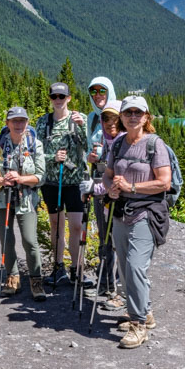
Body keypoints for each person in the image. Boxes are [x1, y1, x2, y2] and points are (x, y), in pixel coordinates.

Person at [103, 96, 172, 349]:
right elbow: (108, 174)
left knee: (134, 266)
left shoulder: (155, 145)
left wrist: (132, 186)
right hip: (121, 213)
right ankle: (146, 312)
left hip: (146, 213)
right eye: (128, 112)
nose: (132, 116)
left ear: (146, 117)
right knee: (123, 267)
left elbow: (164, 182)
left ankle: (138, 325)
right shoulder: (119, 143)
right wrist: (110, 189)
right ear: (121, 117)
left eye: (137, 112)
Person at [0, 106, 47, 302]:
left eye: (22, 121)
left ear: (27, 123)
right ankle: (12, 277)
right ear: (7, 123)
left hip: (26, 200)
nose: (18, 124)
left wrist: (19, 178)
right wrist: (2, 181)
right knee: (7, 240)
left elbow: (41, 177)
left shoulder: (34, 144)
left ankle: (36, 279)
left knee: (29, 240)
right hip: (1, 198)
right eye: (14, 121)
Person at [35, 82, 90, 288]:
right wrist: (52, 157)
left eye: (61, 96)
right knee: (56, 225)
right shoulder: (43, 122)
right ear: (50, 99)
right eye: (54, 96)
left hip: (75, 182)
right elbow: (36, 152)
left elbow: (90, 146)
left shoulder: (80, 119)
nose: (58, 100)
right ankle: (58, 268)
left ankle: (77, 269)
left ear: (69, 98)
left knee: (76, 226)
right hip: (51, 182)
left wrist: (83, 127)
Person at [83, 100, 125, 307]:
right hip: (102, 197)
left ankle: (118, 288)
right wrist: (90, 160)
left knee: (118, 243)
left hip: (121, 200)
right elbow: (98, 166)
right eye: (107, 119)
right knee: (104, 239)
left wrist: (97, 188)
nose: (111, 123)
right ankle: (106, 284)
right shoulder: (102, 138)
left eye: (115, 118)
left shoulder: (126, 141)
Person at [86, 77, 118, 298]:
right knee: (103, 232)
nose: (98, 94)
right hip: (98, 176)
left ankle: (117, 281)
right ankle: (106, 279)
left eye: (102, 90)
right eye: (93, 91)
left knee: (117, 232)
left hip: (118, 178)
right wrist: (89, 158)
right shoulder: (91, 119)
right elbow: (90, 149)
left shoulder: (120, 114)